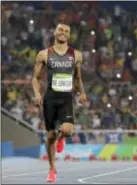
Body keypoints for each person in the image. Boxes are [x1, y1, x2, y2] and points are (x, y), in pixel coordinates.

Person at [32, 21, 87, 182]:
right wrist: (37, 94)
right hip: (50, 98)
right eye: (60, 29)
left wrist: (82, 93)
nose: (63, 32)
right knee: (50, 136)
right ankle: (52, 169)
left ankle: (62, 137)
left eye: (66, 31)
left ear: (69, 35)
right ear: (55, 32)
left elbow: (77, 78)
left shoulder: (76, 55)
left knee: (68, 130)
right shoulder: (44, 54)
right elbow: (35, 79)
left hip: (66, 98)